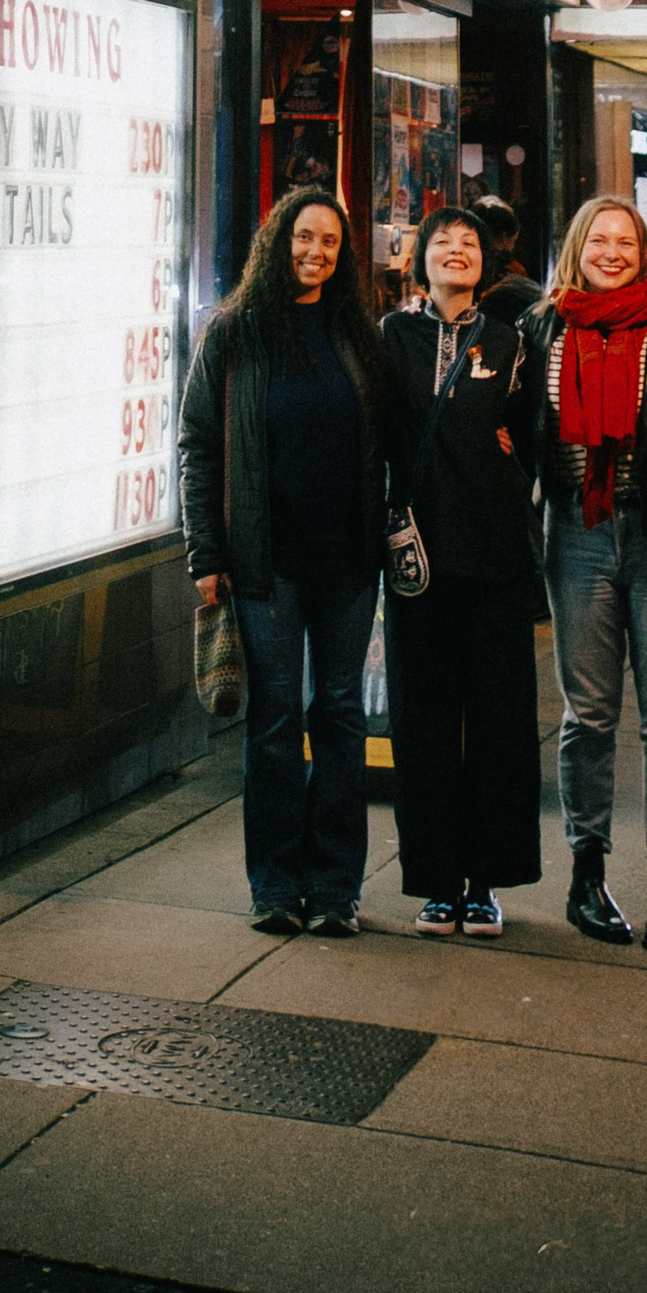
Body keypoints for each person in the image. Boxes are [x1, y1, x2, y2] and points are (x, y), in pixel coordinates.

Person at [179, 190, 386, 936]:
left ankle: (335, 889)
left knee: (338, 716)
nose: (316, 252)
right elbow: (198, 445)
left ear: (342, 253)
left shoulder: (358, 334)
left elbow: (392, 437)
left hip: (348, 563)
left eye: (330, 242)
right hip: (265, 564)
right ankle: (274, 884)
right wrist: (205, 550)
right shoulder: (234, 334)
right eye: (304, 237)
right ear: (278, 241)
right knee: (272, 722)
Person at [522, 199, 647, 955]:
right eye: (598, 240)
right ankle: (586, 876)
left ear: (646, 254)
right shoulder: (542, 330)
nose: (611, 252)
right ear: (577, 248)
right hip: (576, 534)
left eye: (625, 241)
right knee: (589, 718)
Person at [380, 208, 545, 938]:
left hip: (496, 557)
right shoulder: (393, 338)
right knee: (425, 722)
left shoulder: (513, 341)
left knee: (500, 722)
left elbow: (536, 436)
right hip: (419, 560)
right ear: (421, 260)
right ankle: (438, 882)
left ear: (487, 261)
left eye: (469, 242)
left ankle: (487, 883)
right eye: (442, 241)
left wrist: (510, 454)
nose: (456, 250)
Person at [470, 192, 544, 321]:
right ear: (504, 238)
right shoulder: (515, 272)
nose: (512, 248)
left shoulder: (464, 269)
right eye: (513, 241)